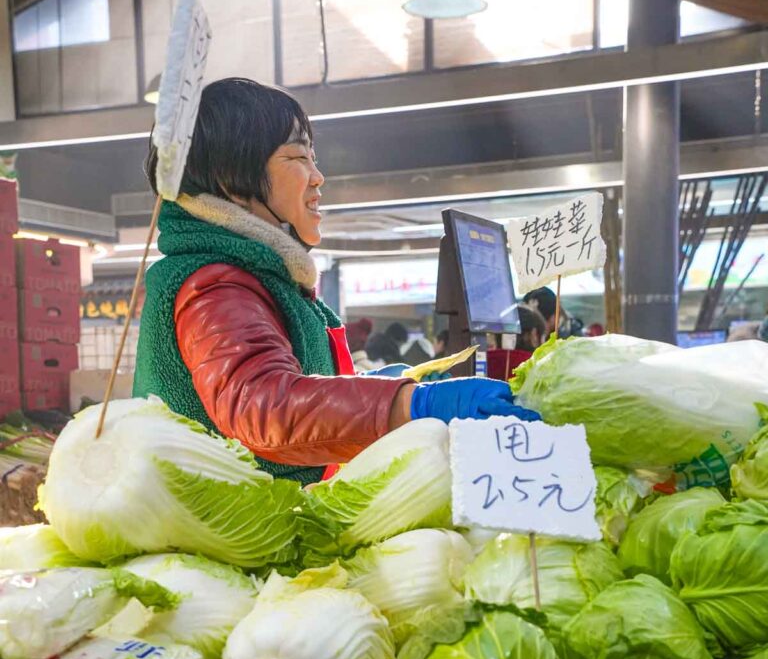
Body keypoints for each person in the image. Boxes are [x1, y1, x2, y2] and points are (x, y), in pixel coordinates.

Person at [133, 78, 539, 485]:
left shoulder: (260, 275)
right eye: (298, 157)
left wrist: (385, 387)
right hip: (231, 540)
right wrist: (415, 405)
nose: (318, 178)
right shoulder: (217, 286)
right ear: (230, 180)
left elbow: (286, 383)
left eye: (314, 158)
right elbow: (263, 406)